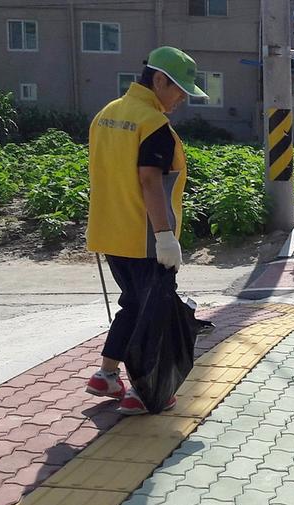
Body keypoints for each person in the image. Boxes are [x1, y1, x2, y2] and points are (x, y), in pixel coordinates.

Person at [84, 46, 207, 415]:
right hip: (146, 238)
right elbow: (149, 180)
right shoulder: (153, 125)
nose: (182, 98)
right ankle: (145, 390)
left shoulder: (107, 115)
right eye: (179, 89)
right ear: (158, 80)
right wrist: (165, 236)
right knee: (155, 314)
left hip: (109, 233)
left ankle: (106, 375)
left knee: (134, 305)